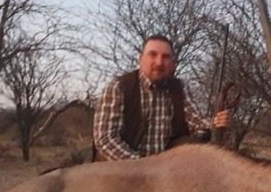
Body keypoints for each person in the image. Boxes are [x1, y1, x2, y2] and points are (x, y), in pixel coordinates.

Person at [93, 34, 230, 161]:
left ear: (172, 63)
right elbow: (105, 140)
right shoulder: (118, 87)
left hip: (163, 172)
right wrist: (142, 166)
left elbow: (196, 122)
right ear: (140, 59)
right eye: (152, 55)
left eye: (165, 57)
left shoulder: (179, 88)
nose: (159, 62)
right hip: (121, 172)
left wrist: (217, 122)